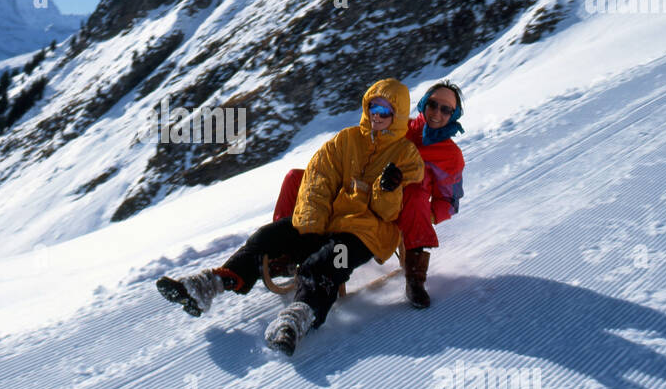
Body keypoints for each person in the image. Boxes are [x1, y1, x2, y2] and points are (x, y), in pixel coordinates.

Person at [156, 78, 424, 355]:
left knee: (326, 263)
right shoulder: (346, 140)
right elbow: (318, 176)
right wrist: (310, 220)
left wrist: (388, 187)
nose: (377, 116)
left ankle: (299, 318)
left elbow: (388, 212)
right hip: (328, 223)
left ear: (398, 115)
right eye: (373, 108)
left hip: (364, 235)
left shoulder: (406, 155)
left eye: (385, 111)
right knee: (268, 236)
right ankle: (212, 283)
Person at [399, 81, 465, 307]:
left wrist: (428, 216)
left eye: (446, 109)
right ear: (424, 103)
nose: (437, 112)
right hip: (371, 195)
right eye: (433, 104)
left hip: (410, 209)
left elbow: (449, 201)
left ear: (453, 115)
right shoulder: (401, 129)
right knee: (296, 177)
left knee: (416, 190)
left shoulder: (451, 155)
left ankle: (415, 278)